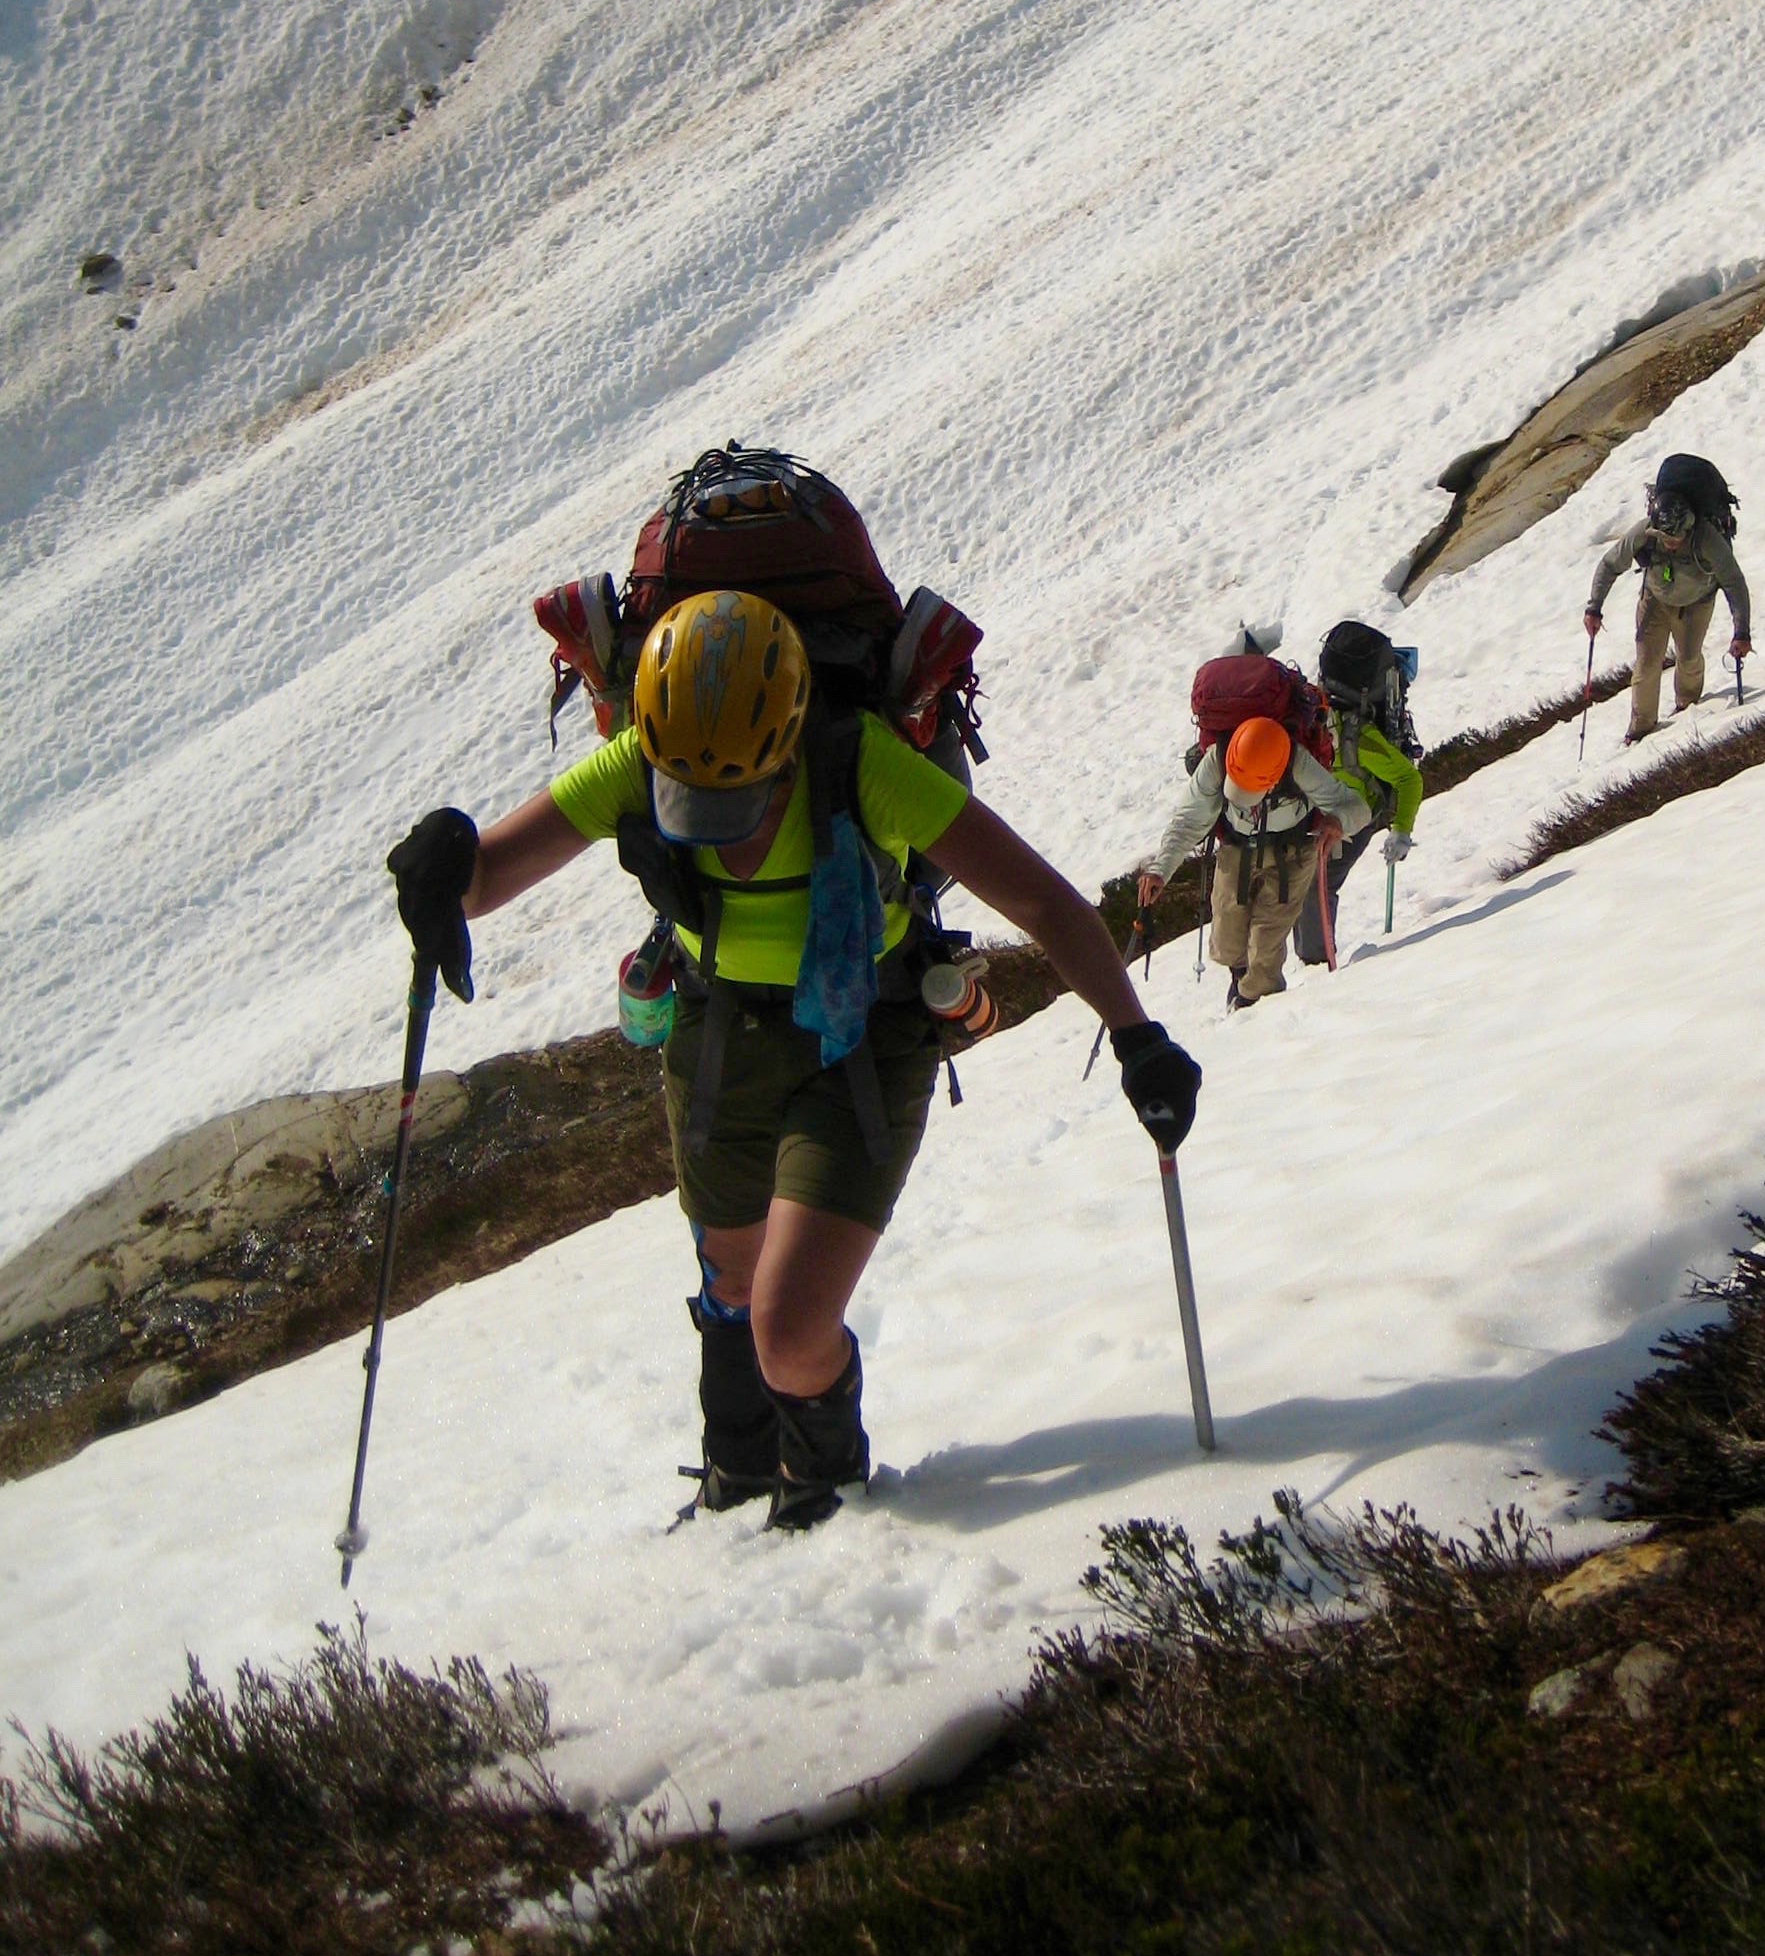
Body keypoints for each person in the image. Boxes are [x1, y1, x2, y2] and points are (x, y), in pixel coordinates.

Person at [386, 587, 1200, 1528]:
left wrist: (1137, 1035)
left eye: (741, 791)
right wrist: (445, 861)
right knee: (731, 1287)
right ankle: (736, 1484)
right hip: (718, 1035)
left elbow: (1045, 902)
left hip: (863, 1038)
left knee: (788, 1324)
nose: (716, 816)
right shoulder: (641, 758)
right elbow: (485, 878)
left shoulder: (865, 764)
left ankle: (826, 1497)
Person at [1139, 713, 1369, 1009]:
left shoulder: (1296, 762)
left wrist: (1339, 821)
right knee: (1226, 941)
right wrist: (1160, 869)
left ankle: (1254, 1011)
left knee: (1266, 950)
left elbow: (1355, 807)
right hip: (1237, 850)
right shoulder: (1217, 759)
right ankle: (1241, 982)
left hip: (1292, 855)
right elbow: (1188, 821)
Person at [1584, 466, 1752, 744]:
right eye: (1664, 539)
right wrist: (1594, 607)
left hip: (1696, 604)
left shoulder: (1707, 539)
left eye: (1675, 539)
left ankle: (1687, 708)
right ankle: (1639, 728)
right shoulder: (1645, 532)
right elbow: (1610, 564)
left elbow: (1734, 582)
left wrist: (1741, 632)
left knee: (1688, 660)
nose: (1670, 544)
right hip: (1654, 601)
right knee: (1647, 664)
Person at [1294, 623, 1424, 965]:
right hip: (1318, 814)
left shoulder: (1356, 736)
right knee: (1306, 885)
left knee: (1316, 887)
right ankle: (1315, 960)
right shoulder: (1333, 729)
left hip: (1355, 817)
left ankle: (1319, 965)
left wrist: (1401, 831)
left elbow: (1409, 780)